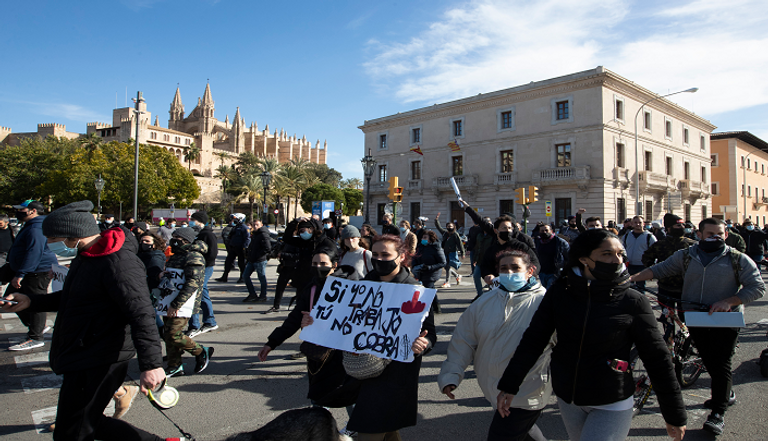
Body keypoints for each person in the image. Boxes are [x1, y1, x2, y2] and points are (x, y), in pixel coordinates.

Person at [497, 229, 687, 441]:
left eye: (620, 254)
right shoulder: (560, 293)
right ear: (584, 259)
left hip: (612, 399)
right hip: (568, 398)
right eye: (606, 254)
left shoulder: (633, 300)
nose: (617, 260)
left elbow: (657, 359)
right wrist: (509, 385)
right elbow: (534, 340)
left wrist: (674, 414)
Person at [1, 200, 169, 441]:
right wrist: (32, 302)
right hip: (83, 350)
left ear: (74, 236)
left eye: (54, 239)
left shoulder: (118, 262)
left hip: (101, 355)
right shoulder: (88, 254)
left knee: (74, 430)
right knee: (85, 423)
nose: (49, 244)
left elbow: (142, 314)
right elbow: (75, 297)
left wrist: (151, 364)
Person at [630, 218, 765, 435]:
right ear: (699, 234)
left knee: (720, 365)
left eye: (719, 233)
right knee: (708, 360)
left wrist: (729, 302)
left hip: (725, 320)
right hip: (695, 317)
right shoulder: (685, 255)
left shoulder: (737, 259)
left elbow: (757, 287)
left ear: (726, 234)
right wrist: (631, 278)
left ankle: (718, 414)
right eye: (710, 233)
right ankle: (725, 393)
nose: (715, 237)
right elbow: (659, 269)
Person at [439, 250, 551, 441]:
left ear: (530, 270)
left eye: (515, 268)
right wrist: (451, 375)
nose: (509, 273)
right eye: (504, 269)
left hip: (528, 389)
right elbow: (463, 340)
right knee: (525, 434)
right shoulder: (484, 302)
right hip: (493, 388)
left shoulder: (546, 303)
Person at [344, 234, 437, 440]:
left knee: (371, 426)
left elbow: (431, 333)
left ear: (401, 256)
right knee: (386, 428)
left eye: (385, 254)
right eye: (375, 254)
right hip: (364, 368)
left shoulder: (416, 291)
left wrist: (424, 343)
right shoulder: (362, 285)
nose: (379, 259)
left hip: (395, 374)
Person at [259, 246, 360, 432]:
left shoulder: (352, 286)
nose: (318, 266)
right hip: (319, 354)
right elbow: (295, 318)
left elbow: (361, 319)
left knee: (349, 395)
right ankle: (320, 430)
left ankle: (358, 427)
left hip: (344, 352)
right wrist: (271, 343)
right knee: (318, 397)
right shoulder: (312, 287)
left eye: (323, 263)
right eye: (314, 263)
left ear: (334, 265)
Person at [4, 200, 56, 351]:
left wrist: (20, 274)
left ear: (33, 211)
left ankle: (36, 337)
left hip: (37, 272)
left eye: (22, 209)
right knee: (9, 300)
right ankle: (37, 326)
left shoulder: (36, 228)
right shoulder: (32, 225)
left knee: (35, 303)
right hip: (29, 271)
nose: (19, 212)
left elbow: (34, 253)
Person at [162, 227, 213, 377]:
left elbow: (193, 283)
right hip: (170, 299)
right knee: (168, 333)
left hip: (183, 303)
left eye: (176, 237)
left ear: (185, 239)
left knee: (173, 334)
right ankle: (175, 365)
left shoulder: (194, 256)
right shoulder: (177, 255)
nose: (173, 240)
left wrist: (176, 304)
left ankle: (201, 351)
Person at [459, 200, 539, 284]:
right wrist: (488, 275)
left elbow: (535, 261)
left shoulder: (522, 243)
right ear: (496, 230)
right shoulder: (492, 249)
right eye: (503, 227)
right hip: (499, 286)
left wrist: (528, 275)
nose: (507, 230)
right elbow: (481, 221)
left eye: (509, 227)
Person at [641, 213, 695, 316]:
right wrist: (653, 271)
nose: (682, 228)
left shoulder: (691, 245)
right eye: (678, 225)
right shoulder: (660, 245)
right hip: (665, 287)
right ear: (669, 228)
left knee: (685, 318)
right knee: (667, 316)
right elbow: (646, 258)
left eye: (683, 225)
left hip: (686, 288)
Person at [281, 216, 336, 296]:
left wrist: (312, 220)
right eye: (300, 231)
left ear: (312, 229)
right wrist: (295, 222)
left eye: (304, 230)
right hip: (303, 277)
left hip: (319, 276)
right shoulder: (302, 242)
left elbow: (333, 257)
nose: (303, 233)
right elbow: (287, 238)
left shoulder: (324, 241)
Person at [187, 211, 219, 337]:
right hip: (201, 267)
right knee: (203, 293)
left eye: (193, 219)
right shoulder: (199, 233)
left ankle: (194, 326)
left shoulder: (207, 234)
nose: (191, 221)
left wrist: (202, 262)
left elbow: (213, 253)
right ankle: (210, 321)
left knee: (194, 293)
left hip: (204, 267)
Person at [411, 230, 446, 313]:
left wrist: (430, 267)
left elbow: (443, 263)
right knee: (430, 289)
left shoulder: (436, 248)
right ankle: (436, 307)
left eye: (425, 238)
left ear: (430, 239)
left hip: (432, 272)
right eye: (423, 237)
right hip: (421, 270)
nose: (423, 239)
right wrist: (414, 264)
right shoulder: (420, 246)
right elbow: (415, 257)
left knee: (428, 287)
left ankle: (431, 308)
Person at [622, 215, 657, 291]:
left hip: (642, 266)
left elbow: (655, 251)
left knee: (641, 289)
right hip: (629, 265)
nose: (637, 224)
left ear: (643, 224)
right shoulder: (626, 236)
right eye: (635, 222)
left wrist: (652, 266)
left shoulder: (649, 237)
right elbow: (622, 249)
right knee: (628, 288)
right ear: (632, 224)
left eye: (639, 222)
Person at [266, 239, 300, 314]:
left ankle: (299, 306)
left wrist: (283, 255)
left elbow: (298, 255)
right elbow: (277, 252)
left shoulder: (298, 242)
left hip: (295, 268)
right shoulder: (286, 242)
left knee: (299, 289)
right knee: (280, 287)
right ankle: (276, 306)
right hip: (285, 267)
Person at [243, 219, 272, 303]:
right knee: (245, 276)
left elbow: (268, 248)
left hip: (259, 260)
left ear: (261, 225)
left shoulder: (263, 234)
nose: (255, 226)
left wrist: (259, 255)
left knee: (262, 278)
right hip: (252, 259)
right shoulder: (255, 234)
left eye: (257, 225)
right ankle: (252, 294)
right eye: (254, 225)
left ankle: (263, 296)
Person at [533, 224, 569, 289]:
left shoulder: (560, 242)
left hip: (554, 273)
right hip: (541, 272)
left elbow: (568, 257)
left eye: (546, 230)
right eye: (542, 231)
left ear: (551, 231)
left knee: (551, 292)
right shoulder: (537, 242)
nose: (544, 232)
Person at [216, 213, 250, 283]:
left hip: (240, 248)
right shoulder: (235, 227)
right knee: (228, 262)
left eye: (235, 219)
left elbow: (247, 238)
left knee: (241, 263)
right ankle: (224, 277)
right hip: (233, 248)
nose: (233, 220)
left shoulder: (244, 228)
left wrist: (245, 247)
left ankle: (242, 277)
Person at [434, 212, 465, 288]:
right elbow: (438, 227)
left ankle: (447, 282)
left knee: (448, 267)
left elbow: (459, 244)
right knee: (446, 266)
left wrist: (462, 253)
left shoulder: (455, 234)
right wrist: (436, 220)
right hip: (445, 252)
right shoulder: (445, 233)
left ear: (453, 227)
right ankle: (457, 276)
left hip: (452, 253)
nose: (449, 227)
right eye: (448, 226)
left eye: (451, 226)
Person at [471, 217, 496, 298]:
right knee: (476, 276)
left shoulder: (493, 236)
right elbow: (477, 247)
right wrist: (475, 259)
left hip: (490, 262)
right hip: (480, 260)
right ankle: (480, 294)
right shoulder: (480, 235)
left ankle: (491, 293)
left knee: (491, 279)